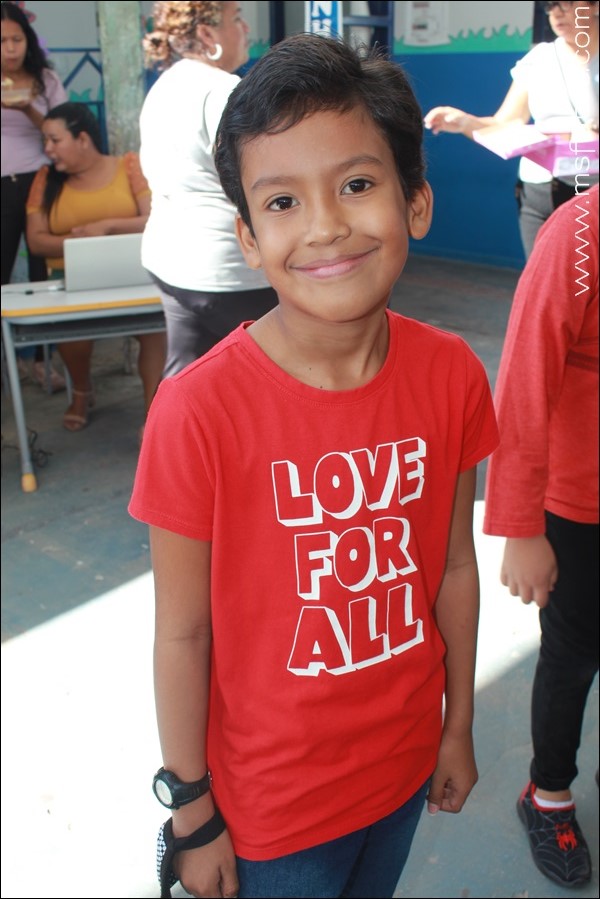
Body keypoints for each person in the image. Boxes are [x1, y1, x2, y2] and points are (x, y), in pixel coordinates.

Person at [129, 33, 500, 899]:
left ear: (416, 202)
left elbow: (452, 566)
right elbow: (182, 633)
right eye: (283, 201)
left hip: (403, 768)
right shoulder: (198, 410)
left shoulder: (451, 373)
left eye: (358, 185)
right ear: (249, 238)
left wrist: (457, 725)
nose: (326, 225)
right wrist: (192, 810)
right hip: (270, 811)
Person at [483, 184, 598, 888]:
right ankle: (548, 793)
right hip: (581, 505)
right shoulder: (578, 236)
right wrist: (521, 525)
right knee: (574, 654)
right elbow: (525, 384)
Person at [139, 0, 277, 378]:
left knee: (188, 375)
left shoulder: (165, 85)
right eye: (237, 18)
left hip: (170, 262)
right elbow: (259, 180)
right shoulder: (222, 91)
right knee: (279, 376)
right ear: (206, 33)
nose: (246, 29)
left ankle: (168, 420)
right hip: (228, 272)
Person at [25, 102, 166, 433]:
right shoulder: (46, 179)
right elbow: (36, 241)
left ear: (83, 139)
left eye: (54, 140)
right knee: (71, 334)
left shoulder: (128, 166)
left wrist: (108, 227)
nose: (47, 149)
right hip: (68, 282)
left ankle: (155, 412)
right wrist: (80, 243)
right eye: (45, 141)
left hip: (131, 275)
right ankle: (81, 391)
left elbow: (154, 218)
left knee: (156, 330)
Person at [423, 1, 599, 258]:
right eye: (551, 6)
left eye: (567, 3)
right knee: (543, 278)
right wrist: (463, 122)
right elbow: (507, 122)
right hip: (539, 191)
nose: (557, 12)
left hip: (592, 189)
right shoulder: (539, 58)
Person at [1, 0, 67, 391]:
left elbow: (63, 128)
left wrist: (27, 108)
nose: (11, 48)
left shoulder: (44, 79)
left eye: (16, 39)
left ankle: (43, 359)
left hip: (42, 181)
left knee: (45, 274)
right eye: (2, 41)